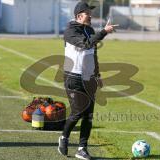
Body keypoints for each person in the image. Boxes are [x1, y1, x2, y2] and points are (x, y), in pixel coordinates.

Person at [58, 1, 116, 160]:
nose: (90, 15)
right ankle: (64, 137)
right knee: (78, 112)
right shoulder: (70, 31)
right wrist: (104, 32)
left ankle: (82, 149)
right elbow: (85, 45)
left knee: (88, 115)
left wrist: (97, 75)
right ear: (78, 16)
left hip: (89, 78)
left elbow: (93, 54)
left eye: (90, 12)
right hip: (73, 77)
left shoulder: (90, 29)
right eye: (87, 12)